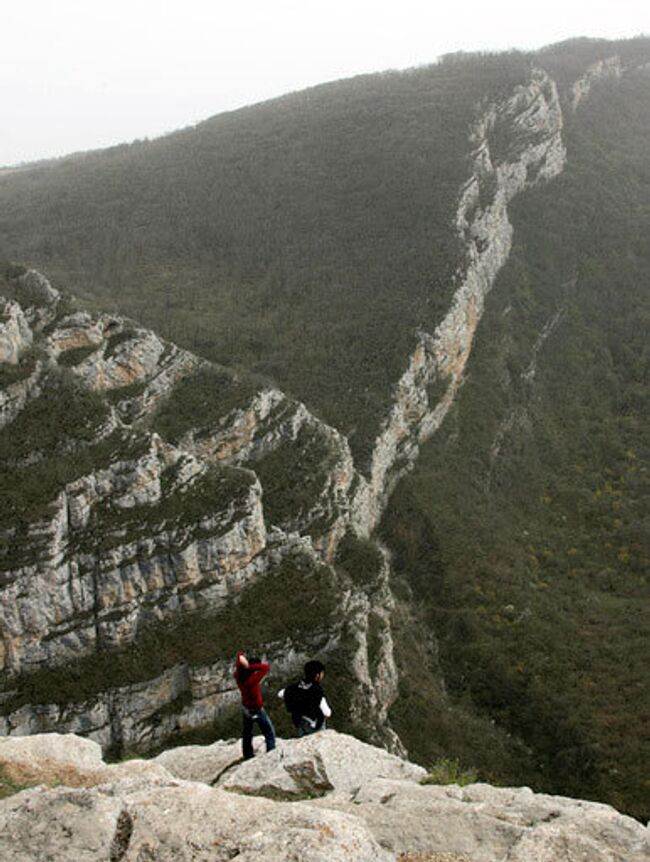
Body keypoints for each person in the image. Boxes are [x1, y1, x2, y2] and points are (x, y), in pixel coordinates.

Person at [234, 650, 276, 760]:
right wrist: (252, 667)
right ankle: (271, 753)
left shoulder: (238, 676)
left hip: (245, 708)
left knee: (247, 733)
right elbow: (265, 667)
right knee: (269, 732)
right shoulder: (252, 680)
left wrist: (246, 665)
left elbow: (239, 654)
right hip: (257, 709)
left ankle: (248, 754)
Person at [278, 659, 332, 736]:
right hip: (314, 725)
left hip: (300, 722)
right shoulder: (316, 690)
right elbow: (327, 713)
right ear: (317, 675)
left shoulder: (295, 687)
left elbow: (280, 694)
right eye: (322, 673)